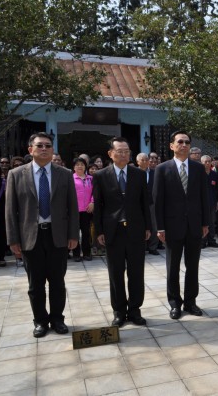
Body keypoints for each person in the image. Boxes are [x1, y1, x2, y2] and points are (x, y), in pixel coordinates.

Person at [5, 132, 79, 338]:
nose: (44, 149)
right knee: (35, 284)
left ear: (52, 149)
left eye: (48, 145)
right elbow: (10, 210)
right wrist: (13, 239)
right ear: (31, 150)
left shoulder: (64, 174)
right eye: (40, 146)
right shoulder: (16, 174)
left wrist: (73, 234)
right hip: (31, 237)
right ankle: (40, 321)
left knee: (57, 282)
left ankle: (57, 319)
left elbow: (72, 208)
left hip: (58, 236)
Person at [93, 137, 151, 327]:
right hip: (113, 231)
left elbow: (145, 204)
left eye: (127, 151)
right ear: (110, 154)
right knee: (116, 273)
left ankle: (135, 310)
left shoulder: (139, 174)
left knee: (136, 273)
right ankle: (119, 311)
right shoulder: (101, 175)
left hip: (135, 230)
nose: (124, 154)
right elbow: (99, 207)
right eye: (119, 151)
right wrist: (99, 231)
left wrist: (148, 227)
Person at [153, 131, 209, 319]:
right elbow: (157, 200)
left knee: (193, 267)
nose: (184, 145)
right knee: (173, 267)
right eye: (180, 142)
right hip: (172, 226)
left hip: (194, 226)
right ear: (172, 146)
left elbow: (204, 197)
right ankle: (175, 303)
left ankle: (191, 302)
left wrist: (205, 223)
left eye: (187, 142)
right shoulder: (162, 169)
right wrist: (160, 227)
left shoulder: (198, 168)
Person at [71, 158, 94, 262]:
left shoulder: (91, 178)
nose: (80, 166)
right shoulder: (70, 178)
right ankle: (76, 254)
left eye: (82, 164)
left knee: (86, 233)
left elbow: (95, 192)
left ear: (85, 166)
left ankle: (87, 253)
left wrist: (92, 202)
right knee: (75, 233)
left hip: (87, 210)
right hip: (74, 210)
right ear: (74, 167)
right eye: (77, 165)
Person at [136, 153, 159, 255]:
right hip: (137, 204)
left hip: (152, 203)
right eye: (143, 160)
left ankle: (153, 247)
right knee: (140, 226)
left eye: (147, 160)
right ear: (138, 162)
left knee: (154, 226)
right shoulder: (133, 173)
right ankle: (142, 246)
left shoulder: (155, 173)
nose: (145, 161)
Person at [201, 155, 218, 248]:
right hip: (201, 203)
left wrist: (217, 201)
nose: (208, 163)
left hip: (212, 201)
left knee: (212, 222)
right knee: (202, 222)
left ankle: (211, 240)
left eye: (209, 161)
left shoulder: (214, 174)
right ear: (201, 162)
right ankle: (202, 241)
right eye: (205, 161)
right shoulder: (198, 174)